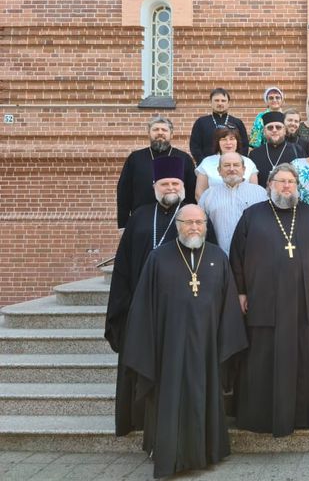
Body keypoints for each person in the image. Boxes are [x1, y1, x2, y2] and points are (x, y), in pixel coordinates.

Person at [123, 204, 247, 478]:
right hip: (170, 347)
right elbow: (144, 306)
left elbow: (228, 305)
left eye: (199, 222)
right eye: (188, 222)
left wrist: (227, 342)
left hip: (207, 346)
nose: (194, 227)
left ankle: (208, 452)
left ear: (206, 225)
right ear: (178, 224)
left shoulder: (217, 256)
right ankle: (168, 454)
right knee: (169, 398)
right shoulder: (158, 258)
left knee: (207, 395)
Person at [107, 156, 203, 438]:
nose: (170, 187)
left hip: (179, 307)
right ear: (155, 186)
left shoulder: (192, 216)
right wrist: (120, 308)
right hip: (139, 305)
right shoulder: (139, 216)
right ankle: (136, 418)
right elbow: (123, 266)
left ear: (183, 185)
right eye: (165, 183)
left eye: (175, 182)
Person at [229, 163, 309, 436]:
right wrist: (241, 291)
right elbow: (237, 256)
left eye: (291, 182)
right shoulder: (252, 215)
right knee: (261, 359)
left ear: (297, 186)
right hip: (262, 301)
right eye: (281, 182)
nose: (286, 187)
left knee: (300, 360)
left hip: (302, 303)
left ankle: (300, 415)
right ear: (269, 185)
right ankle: (259, 417)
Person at [116, 116, 195, 229]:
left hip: (176, 221)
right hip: (141, 221)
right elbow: (124, 193)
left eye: (164, 130)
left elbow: (191, 193)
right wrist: (122, 225)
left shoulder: (184, 158)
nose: (160, 133)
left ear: (171, 134)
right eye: (156, 129)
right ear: (149, 133)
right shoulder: (135, 158)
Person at [199, 152, 268, 255]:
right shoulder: (208, 196)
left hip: (252, 256)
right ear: (219, 170)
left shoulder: (260, 194)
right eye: (226, 165)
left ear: (244, 169)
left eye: (236, 165)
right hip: (219, 257)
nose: (231, 169)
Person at [194, 127, 259, 200]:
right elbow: (199, 193)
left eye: (232, 139)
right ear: (218, 142)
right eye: (224, 139)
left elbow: (254, 192)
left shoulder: (249, 163)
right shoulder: (207, 163)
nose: (228, 143)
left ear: (237, 141)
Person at [189, 88, 248, 164]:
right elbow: (195, 146)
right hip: (208, 166)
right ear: (211, 102)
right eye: (216, 100)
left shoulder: (237, 122)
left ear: (228, 103)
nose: (220, 103)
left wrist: (237, 163)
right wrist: (204, 163)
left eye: (223, 101)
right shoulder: (201, 122)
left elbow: (244, 146)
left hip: (232, 166)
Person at [249, 111, 304, 187]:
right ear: (264, 132)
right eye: (270, 127)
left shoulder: (297, 150)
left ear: (284, 130)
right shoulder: (254, 154)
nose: (274, 130)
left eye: (278, 127)